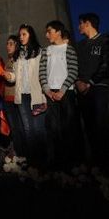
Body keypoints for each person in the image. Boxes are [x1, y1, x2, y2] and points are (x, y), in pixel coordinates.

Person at [39, 20, 80, 170]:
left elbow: (74, 71)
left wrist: (62, 90)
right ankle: (56, 162)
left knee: (68, 127)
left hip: (66, 93)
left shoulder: (68, 49)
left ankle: (72, 162)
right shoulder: (46, 51)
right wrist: (47, 90)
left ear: (58, 32)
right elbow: (42, 72)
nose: (47, 34)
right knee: (53, 128)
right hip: (51, 94)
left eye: (49, 31)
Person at [75, 13, 109, 168]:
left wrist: (90, 82)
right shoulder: (80, 45)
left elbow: (106, 65)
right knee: (88, 124)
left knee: (100, 124)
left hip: (98, 88)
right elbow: (75, 66)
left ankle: (106, 160)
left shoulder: (105, 41)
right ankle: (94, 159)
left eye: (81, 23)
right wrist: (78, 82)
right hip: (81, 89)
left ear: (88, 23)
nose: (79, 27)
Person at [6, 25, 46, 166]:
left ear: (31, 35)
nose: (21, 37)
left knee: (38, 129)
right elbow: (15, 76)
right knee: (27, 128)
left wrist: (45, 96)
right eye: (20, 35)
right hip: (22, 95)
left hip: (36, 95)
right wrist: (8, 75)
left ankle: (43, 159)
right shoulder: (18, 54)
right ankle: (32, 160)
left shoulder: (39, 51)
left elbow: (43, 75)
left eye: (24, 34)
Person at [1, 35, 26, 157]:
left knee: (20, 127)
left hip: (16, 98)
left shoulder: (18, 60)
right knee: (14, 129)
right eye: (7, 43)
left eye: (11, 43)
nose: (8, 46)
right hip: (7, 99)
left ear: (17, 46)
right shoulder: (8, 60)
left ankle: (23, 154)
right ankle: (19, 154)